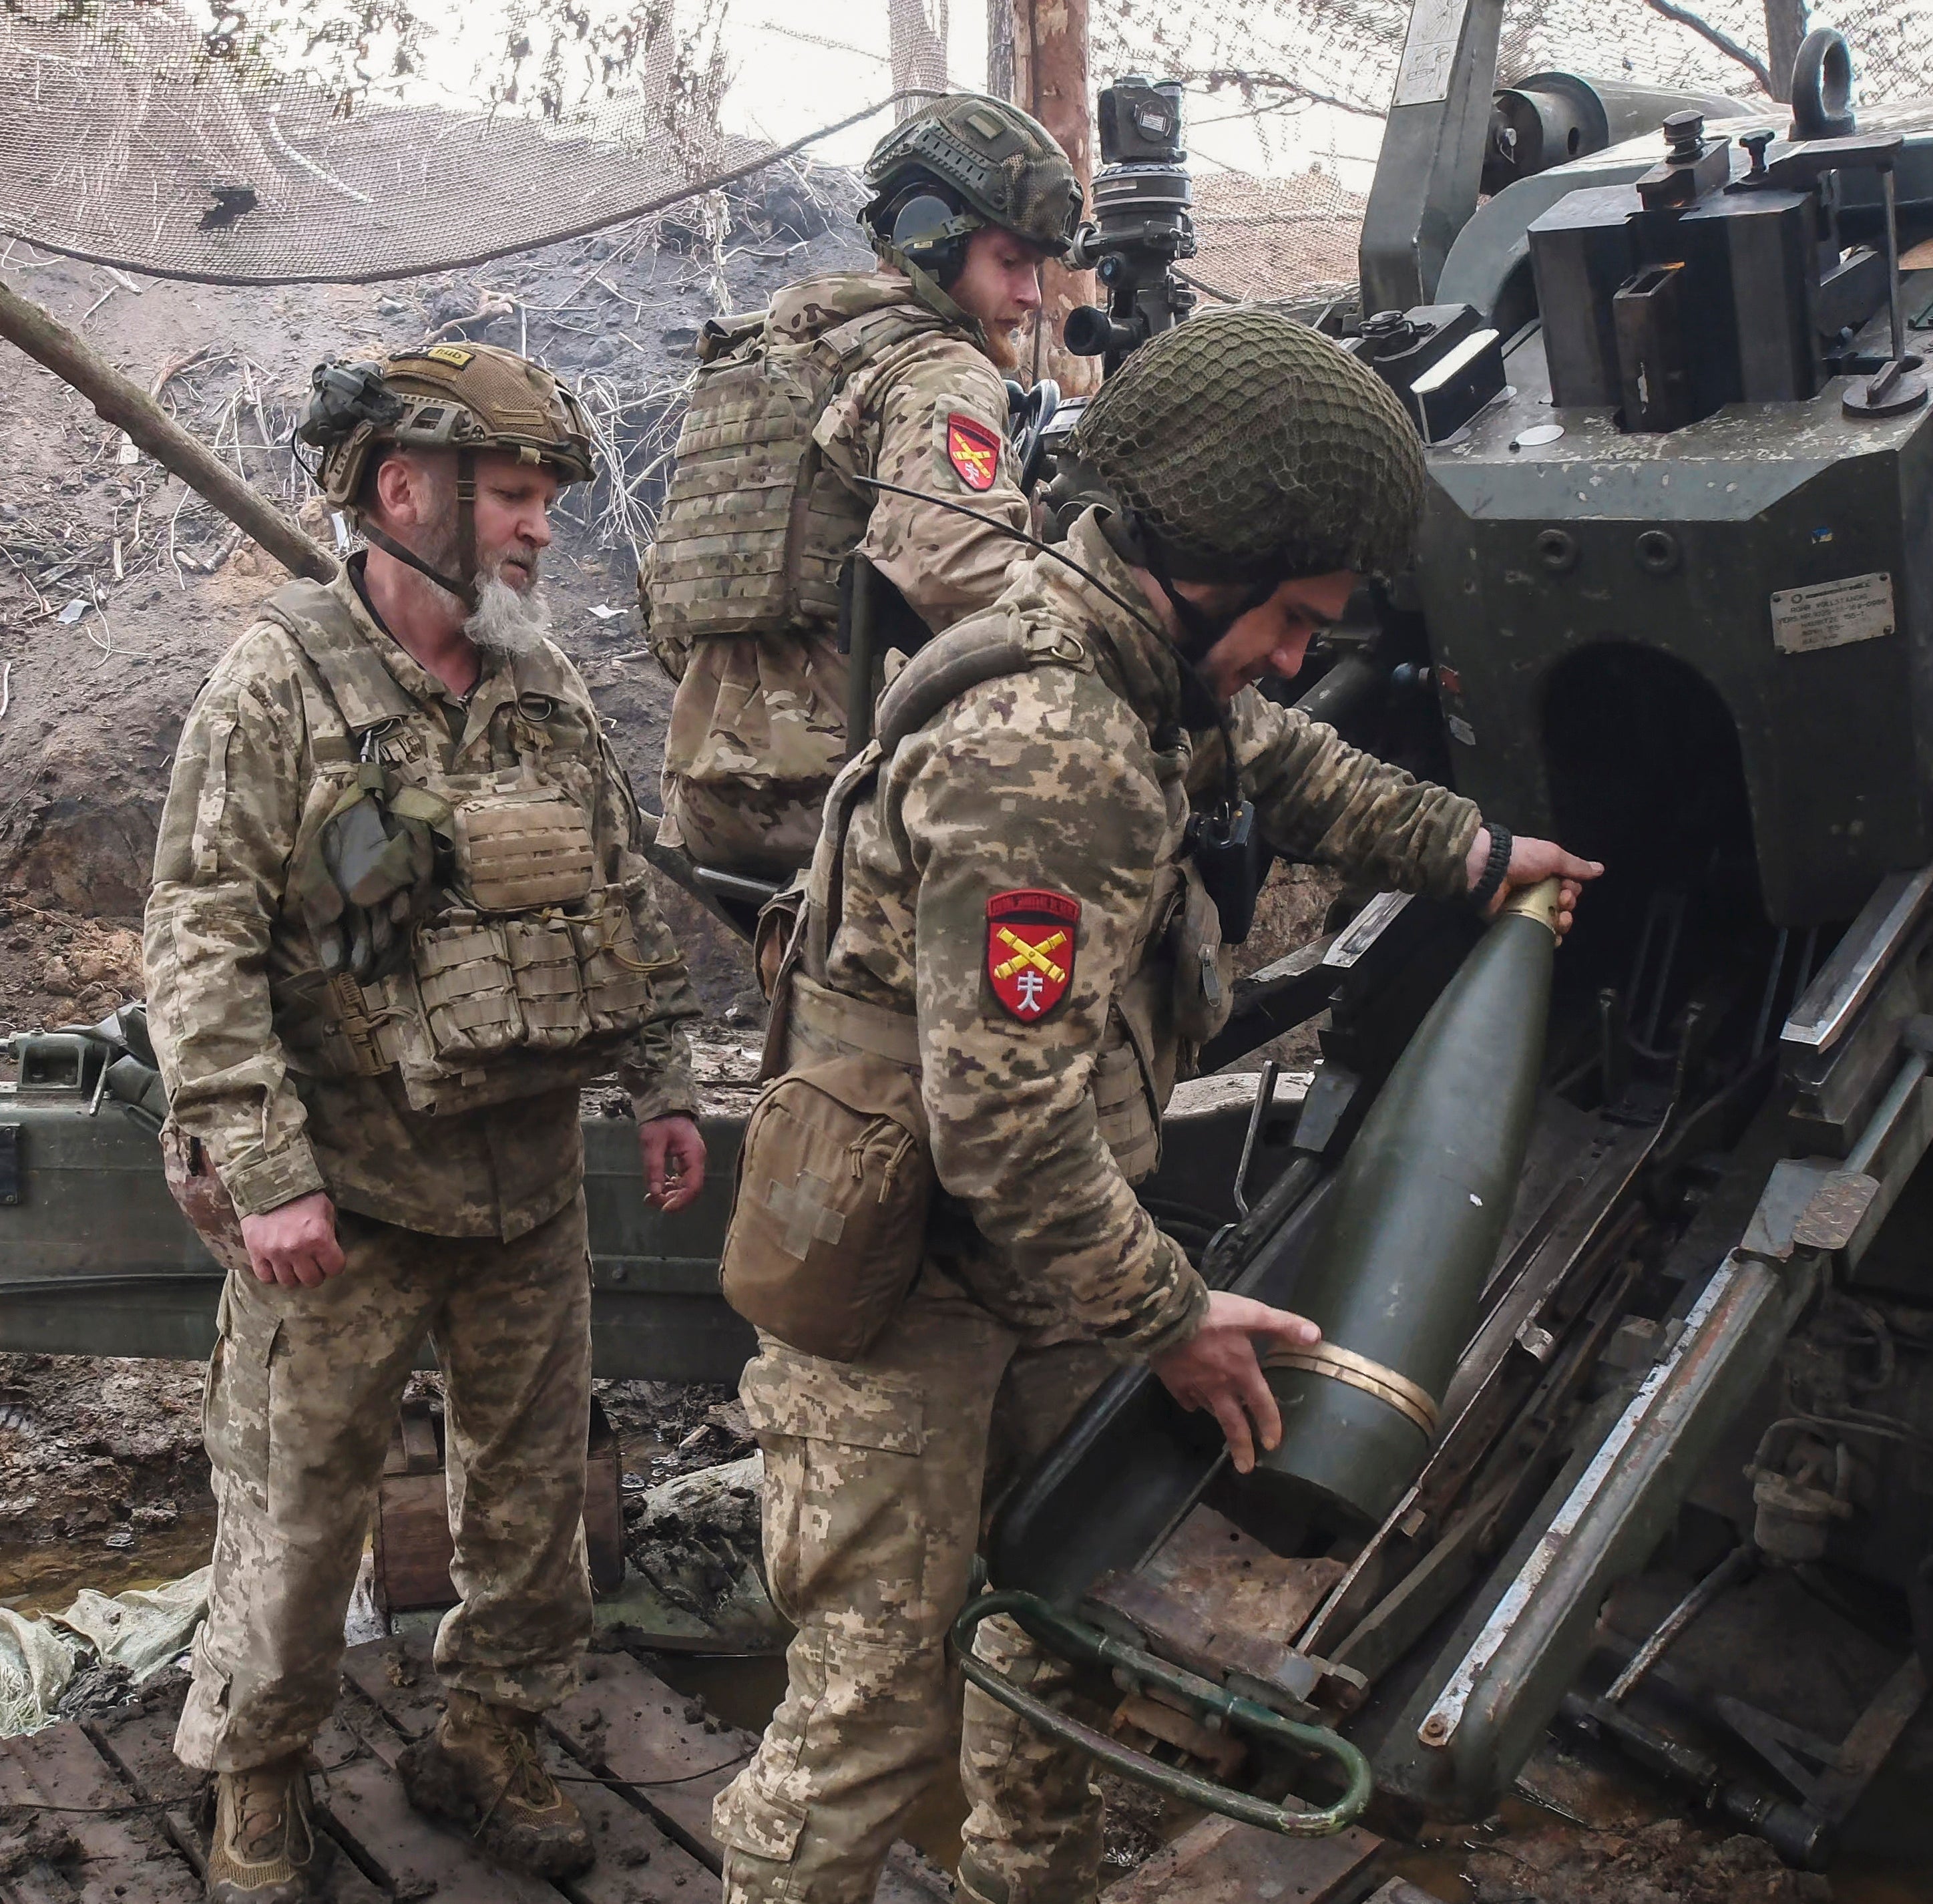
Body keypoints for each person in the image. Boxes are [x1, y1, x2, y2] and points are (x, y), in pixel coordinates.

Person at [708, 307, 1602, 1904]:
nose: (1289, 653)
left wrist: (1477, 855)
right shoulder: (1049, 756)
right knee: (867, 1717)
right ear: (1208, 560)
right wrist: (1172, 1314)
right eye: (1291, 616)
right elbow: (1004, 1130)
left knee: (1048, 1642)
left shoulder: (1140, 666)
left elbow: (1289, 763)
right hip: (902, 1294)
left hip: (1043, 1277)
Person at [140, 341, 708, 1904]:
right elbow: (196, 944)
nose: (540, 529)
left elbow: (612, 891)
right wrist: (261, 1175)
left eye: (543, 500)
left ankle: (488, 1730)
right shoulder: (281, 684)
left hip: (525, 1184)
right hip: (343, 1200)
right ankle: (257, 1780)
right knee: (298, 1512)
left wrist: (660, 1081)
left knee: (530, 1510)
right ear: (407, 493)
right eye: (514, 497)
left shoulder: (542, 685)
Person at [649, 91, 1083, 885]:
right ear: (931, 242)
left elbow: (669, 598)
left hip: (704, 797)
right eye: (1011, 263)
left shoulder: (764, 357)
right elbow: (967, 574)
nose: (1030, 295)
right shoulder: (936, 366)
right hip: (844, 800)